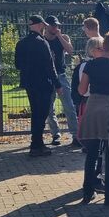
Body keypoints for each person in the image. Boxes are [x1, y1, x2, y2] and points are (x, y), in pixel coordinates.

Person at [78, 33, 109, 205]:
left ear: (103, 47)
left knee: (92, 153)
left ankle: (87, 192)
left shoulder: (90, 65)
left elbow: (82, 90)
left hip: (93, 108)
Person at [15, 15, 62, 157]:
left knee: (35, 113)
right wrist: (57, 84)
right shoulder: (42, 43)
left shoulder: (21, 43)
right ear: (40, 25)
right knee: (42, 114)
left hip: (29, 83)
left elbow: (17, 65)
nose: (45, 27)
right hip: (43, 83)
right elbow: (50, 66)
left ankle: (36, 143)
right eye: (43, 24)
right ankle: (37, 145)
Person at [44, 15, 80, 147]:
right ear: (47, 26)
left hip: (61, 75)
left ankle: (76, 135)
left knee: (69, 106)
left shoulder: (63, 37)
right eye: (53, 25)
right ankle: (55, 134)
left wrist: (59, 36)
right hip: (47, 77)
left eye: (57, 25)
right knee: (49, 108)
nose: (56, 27)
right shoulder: (42, 39)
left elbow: (70, 51)